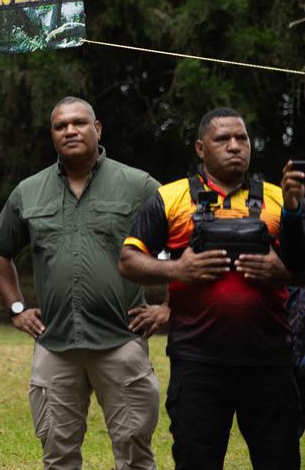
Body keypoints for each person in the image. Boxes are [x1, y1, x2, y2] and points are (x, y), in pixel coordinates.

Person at [119, 107, 305, 469]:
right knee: (196, 461)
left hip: (269, 361)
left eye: (242, 138)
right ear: (201, 149)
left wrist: (281, 272)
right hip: (198, 364)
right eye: (223, 139)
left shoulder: (280, 199)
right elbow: (128, 261)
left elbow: (300, 267)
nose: (235, 146)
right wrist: (179, 269)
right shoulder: (170, 198)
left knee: (279, 460)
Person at [0, 96, 164, 470]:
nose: (70, 130)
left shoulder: (137, 185)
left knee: (134, 453)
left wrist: (170, 308)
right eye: (60, 126)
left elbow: (185, 240)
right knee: (58, 454)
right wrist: (16, 308)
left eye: (79, 123)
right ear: (52, 136)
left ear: (97, 129)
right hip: (55, 345)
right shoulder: (29, 191)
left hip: (121, 341)